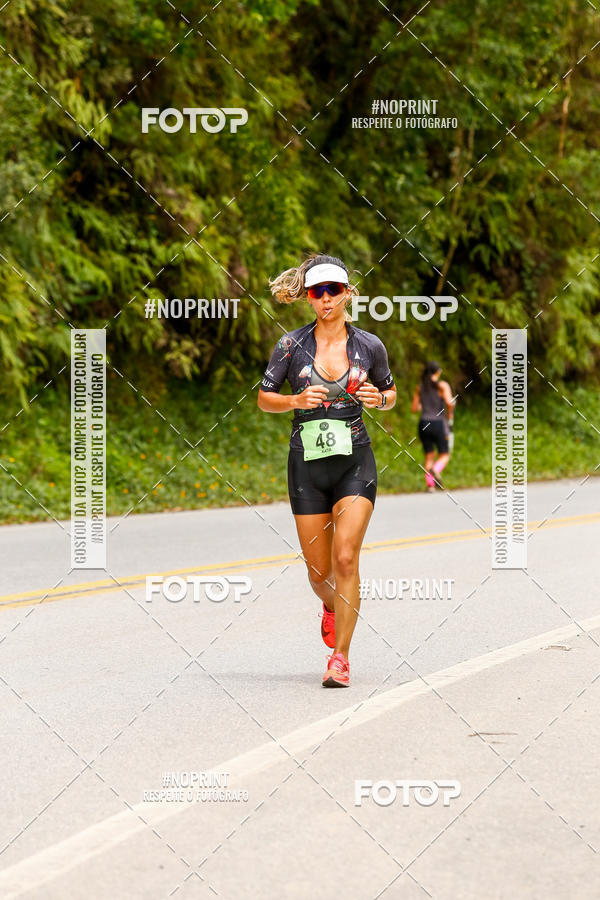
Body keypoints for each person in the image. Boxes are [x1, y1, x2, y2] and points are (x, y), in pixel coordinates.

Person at [257, 253, 396, 687]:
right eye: (317, 292)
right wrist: (295, 401)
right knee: (320, 576)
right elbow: (264, 399)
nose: (326, 299)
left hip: (356, 461)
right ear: (308, 298)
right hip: (307, 467)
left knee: (346, 557)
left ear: (347, 293)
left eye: (334, 290)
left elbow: (390, 394)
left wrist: (380, 400)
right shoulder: (290, 346)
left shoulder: (370, 345)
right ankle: (332, 606)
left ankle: (341, 659)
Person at [411, 361, 454, 492]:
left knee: (429, 455)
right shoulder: (442, 386)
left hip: (423, 423)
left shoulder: (420, 388)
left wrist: (426, 404)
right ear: (438, 372)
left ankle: (430, 485)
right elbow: (449, 403)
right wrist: (450, 415)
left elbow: (414, 408)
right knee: (444, 454)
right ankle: (435, 470)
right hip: (438, 423)